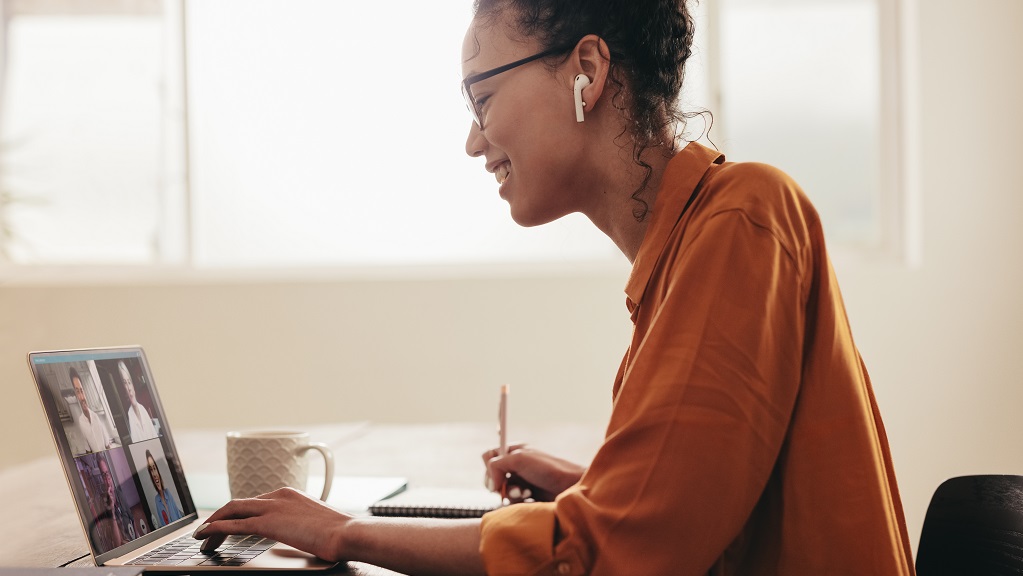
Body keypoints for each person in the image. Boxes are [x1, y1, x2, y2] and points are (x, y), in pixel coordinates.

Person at [195, 1, 915, 574]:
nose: (473, 141)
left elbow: (623, 555)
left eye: (481, 98)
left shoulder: (742, 217)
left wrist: (344, 533)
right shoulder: (689, 249)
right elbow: (692, 519)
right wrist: (583, 488)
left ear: (587, 70)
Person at [71, 367, 115, 454]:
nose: (82, 397)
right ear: (75, 395)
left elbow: (107, 445)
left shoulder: (96, 416)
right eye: (77, 392)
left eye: (81, 391)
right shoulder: (81, 422)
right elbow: (88, 450)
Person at [120, 361, 158, 442]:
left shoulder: (142, 409)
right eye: (125, 383)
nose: (129, 388)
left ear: (133, 387)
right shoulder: (129, 415)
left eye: (129, 382)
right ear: (124, 390)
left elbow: (154, 436)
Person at [146, 450, 183, 527]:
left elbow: (178, 514)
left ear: (158, 471)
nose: (154, 474)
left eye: (154, 468)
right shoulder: (157, 500)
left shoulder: (168, 493)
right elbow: (163, 526)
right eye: (151, 470)